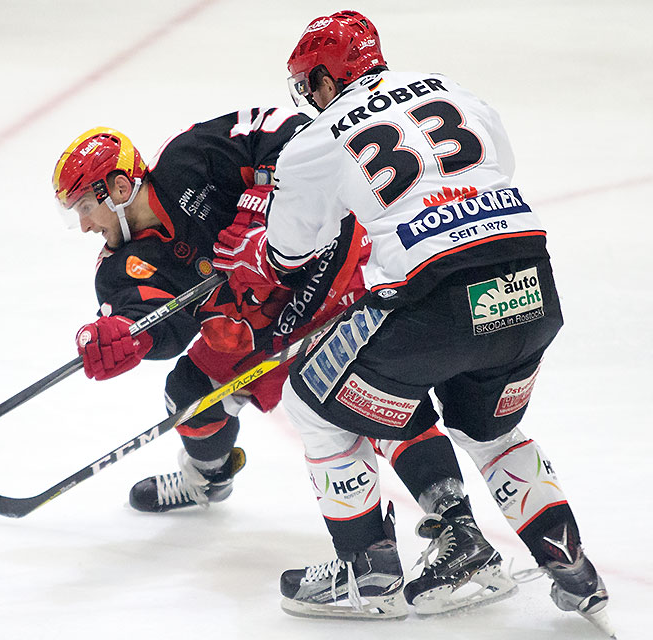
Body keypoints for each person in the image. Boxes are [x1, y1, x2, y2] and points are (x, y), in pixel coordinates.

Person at [212, 9, 613, 634]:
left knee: (313, 402)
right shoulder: (455, 88)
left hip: (435, 300)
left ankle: (366, 574)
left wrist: (257, 251)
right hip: (530, 284)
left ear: (322, 78)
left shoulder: (316, 139)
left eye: (306, 84)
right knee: (493, 434)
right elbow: (498, 166)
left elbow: (290, 254)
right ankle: (573, 568)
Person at [52, 110, 513, 617]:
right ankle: (207, 478)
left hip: (325, 274)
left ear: (117, 188)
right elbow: (167, 325)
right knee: (187, 395)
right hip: (257, 321)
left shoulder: (192, 156)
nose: (82, 226)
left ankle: (456, 526)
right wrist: (130, 338)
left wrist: (256, 211)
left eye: (82, 207)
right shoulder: (118, 267)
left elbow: (297, 132)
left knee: (369, 398)